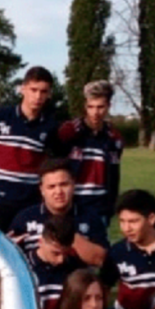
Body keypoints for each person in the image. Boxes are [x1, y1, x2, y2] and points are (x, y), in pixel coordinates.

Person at [0, 66, 62, 231]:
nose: (38, 96)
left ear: (49, 94)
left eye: (43, 91)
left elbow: (49, 165)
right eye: (33, 90)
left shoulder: (50, 126)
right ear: (23, 89)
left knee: (24, 250)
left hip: (30, 201)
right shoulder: (1, 115)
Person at [8, 158, 108, 266]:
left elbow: (101, 260)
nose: (58, 192)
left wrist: (66, 235)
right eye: (51, 187)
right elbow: (9, 259)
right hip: (36, 280)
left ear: (73, 184)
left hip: (74, 279)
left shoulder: (90, 218)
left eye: (64, 185)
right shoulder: (24, 219)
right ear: (42, 190)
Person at [56, 80, 123, 225]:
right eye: (91, 107)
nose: (95, 112)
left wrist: (112, 204)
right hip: (70, 202)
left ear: (108, 107)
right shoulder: (69, 131)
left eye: (100, 107)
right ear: (85, 106)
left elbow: (114, 174)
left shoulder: (114, 137)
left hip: (100, 205)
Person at [26, 218, 87, 309]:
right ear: (41, 242)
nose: (61, 260)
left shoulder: (75, 266)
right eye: (55, 253)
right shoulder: (24, 269)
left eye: (65, 253)